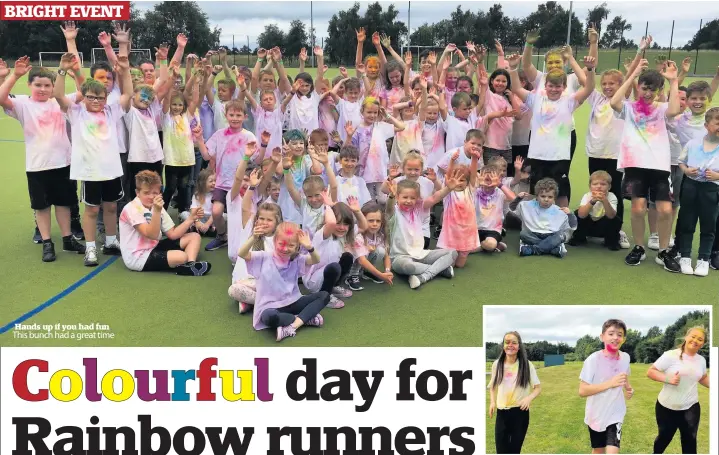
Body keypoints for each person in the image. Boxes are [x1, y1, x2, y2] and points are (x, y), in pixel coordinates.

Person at [0, 56, 85, 261]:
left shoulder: (59, 101)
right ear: (29, 85)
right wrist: (13, 75)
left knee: (64, 204)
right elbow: (2, 99)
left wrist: (72, 72)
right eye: (38, 84)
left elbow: (83, 93)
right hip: (37, 166)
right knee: (41, 206)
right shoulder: (22, 104)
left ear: (53, 86)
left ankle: (67, 238)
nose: (43, 89)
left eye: (47, 85)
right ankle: (47, 242)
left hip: (63, 163)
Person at [54, 50, 132, 266]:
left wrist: (125, 72)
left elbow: (127, 96)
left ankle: (110, 241)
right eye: (91, 97)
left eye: (100, 97)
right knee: (91, 210)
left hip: (111, 170)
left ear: (106, 98)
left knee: (111, 207)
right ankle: (90, 248)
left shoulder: (111, 111)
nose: (96, 101)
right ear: (83, 96)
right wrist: (62, 70)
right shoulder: (76, 112)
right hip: (90, 172)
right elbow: (58, 95)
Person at [610, 59, 682, 272]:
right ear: (639, 87)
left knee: (665, 210)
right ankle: (639, 247)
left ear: (659, 90)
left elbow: (675, 109)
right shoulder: (630, 108)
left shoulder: (661, 109)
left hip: (659, 166)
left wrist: (674, 80)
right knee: (638, 208)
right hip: (635, 165)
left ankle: (662, 251)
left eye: (653, 89)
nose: (648, 93)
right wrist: (632, 75)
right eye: (644, 88)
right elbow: (614, 102)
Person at [507, 53, 597, 208]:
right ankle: (535, 224)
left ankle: (563, 225)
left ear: (564, 87)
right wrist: (514, 68)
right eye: (551, 86)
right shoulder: (534, 99)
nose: (554, 89)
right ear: (545, 85)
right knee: (537, 190)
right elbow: (515, 87)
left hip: (559, 156)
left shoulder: (570, 101)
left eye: (558, 86)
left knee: (561, 192)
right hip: (537, 155)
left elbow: (589, 87)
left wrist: (590, 69)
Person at [239, 222, 329, 342]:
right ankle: (305, 318)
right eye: (281, 244)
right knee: (269, 317)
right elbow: (242, 253)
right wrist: (254, 238)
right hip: (270, 307)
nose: (285, 249)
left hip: (293, 302)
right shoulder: (263, 257)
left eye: (291, 245)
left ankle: (293, 326)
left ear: (297, 246)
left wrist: (309, 247)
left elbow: (315, 260)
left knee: (324, 296)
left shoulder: (297, 259)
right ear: (275, 241)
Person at [119, 170, 211, 275]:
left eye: (155, 193)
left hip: (154, 247)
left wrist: (191, 218)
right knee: (181, 256)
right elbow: (152, 234)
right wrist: (157, 211)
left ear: (160, 193)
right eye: (146, 193)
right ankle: (186, 264)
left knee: (194, 236)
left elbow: (173, 234)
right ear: (137, 193)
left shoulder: (157, 206)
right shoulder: (131, 208)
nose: (151, 196)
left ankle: (190, 265)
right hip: (138, 256)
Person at [195, 99, 258, 251]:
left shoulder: (249, 136)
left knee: (241, 216)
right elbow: (206, 155)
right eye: (231, 114)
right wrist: (199, 139)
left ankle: (245, 242)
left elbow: (255, 160)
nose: (235, 118)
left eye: (238, 115)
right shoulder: (219, 134)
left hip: (241, 184)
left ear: (245, 117)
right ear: (226, 115)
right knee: (216, 212)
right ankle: (222, 236)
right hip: (222, 183)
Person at [386, 175, 459, 289]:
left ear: (417, 199)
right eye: (405, 197)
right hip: (400, 258)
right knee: (409, 267)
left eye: (412, 198)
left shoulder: (418, 210)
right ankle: (440, 269)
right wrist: (391, 196)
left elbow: (435, 197)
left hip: (421, 254)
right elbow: (388, 208)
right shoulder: (394, 213)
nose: (408, 201)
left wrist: (448, 188)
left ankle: (423, 277)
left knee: (452, 252)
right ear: (397, 196)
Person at [647, 327, 709, 454]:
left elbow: (702, 378)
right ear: (686, 337)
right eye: (693, 336)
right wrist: (667, 378)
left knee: (690, 441)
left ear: (703, 343)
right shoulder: (670, 355)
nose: (695, 340)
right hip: (666, 407)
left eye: (700, 339)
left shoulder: (701, 360)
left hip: (691, 407)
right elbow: (651, 372)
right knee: (664, 438)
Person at [579, 319, 634, 455]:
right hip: (595, 414)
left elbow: (624, 375)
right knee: (598, 450)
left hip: (616, 413)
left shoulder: (625, 357)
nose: (615, 337)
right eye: (611, 333)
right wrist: (611, 383)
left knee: (612, 451)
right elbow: (582, 391)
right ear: (602, 337)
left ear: (623, 339)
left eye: (619, 334)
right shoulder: (593, 360)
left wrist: (628, 388)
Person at [675, 107, 719, 276]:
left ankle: (704, 259)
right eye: (717, 123)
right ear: (707, 125)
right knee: (687, 222)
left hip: (711, 189)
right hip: (691, 187)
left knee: (709, 225)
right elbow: (681, 161)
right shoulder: (693, 143)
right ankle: (685, 256)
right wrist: (686, 171)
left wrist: (716, 175)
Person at [302, 197, 369, 308]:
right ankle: (324, 296)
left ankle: (333, 286)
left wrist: (357, 211)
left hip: (327, 274)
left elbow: (363, 226)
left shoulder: (343, 235)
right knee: (334, 267)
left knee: (347, 256)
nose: (342, 227)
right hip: (313, 280)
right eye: (339, 223)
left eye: (346, 224)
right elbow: (331, 223)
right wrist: (329, 205)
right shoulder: (323, 235)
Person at [488, 331, 541, 454]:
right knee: (501, 451)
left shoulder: (527, 365)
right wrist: (492, 402)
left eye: (514, 342)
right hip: (502, 413)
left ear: (519, 346)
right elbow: (492, 386)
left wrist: (529, 398)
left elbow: (537, 388)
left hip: (520, 413)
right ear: (503, 345)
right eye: (507, 342)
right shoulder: (497, 364)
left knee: (514, 451)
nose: (510, 345)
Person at [345, 97, 405, 201]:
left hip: (379, 171)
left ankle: (383, 217)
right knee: (368, 200)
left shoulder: (380, 126)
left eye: (375, 112)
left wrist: (387, 116)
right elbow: (347, 150)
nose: (372, 115)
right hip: (364, 171)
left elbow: (401, 127)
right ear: (362, 111)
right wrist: (349, 136)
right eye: (369, 112)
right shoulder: (357, 129)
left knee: (383, 200)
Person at [509, 178, 577, 258]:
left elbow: (572, 227)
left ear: (554, 198)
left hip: (551, 235)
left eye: (550, 197)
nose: (546, 199)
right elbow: (512, 208)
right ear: (537, 196)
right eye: (543, 196)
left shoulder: (559, 210)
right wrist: (518, 199)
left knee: (561, 236)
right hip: (533, 234)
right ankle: (553, 249)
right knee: (523, 234)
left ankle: (533, 249)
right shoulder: (528, 205)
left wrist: (570, 214)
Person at [569, 171, 622, 251]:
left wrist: (605, 201)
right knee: (577, 212)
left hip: (603, 227)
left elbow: (611, 216)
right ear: (590, 186)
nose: (599, 187)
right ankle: (579, 238)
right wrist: (592, 201)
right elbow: (581, 215)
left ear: (609, 186)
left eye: (603, 184)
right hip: (589, 225)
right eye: (595, 184)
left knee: (616, 219)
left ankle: (611, 242)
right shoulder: (587, 196)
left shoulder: (612, 196)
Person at [345, 202, 394, 289]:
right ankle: (352, 275)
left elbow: (386, 255)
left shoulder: (379, 235)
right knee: (365, 251)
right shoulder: (358, 236)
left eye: (378, 221)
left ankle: (367, 272)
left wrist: (387, 271)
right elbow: (362, 260)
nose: (375, 224)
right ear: (362, 220)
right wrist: (380, 275)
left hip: (363, 261)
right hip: (349, 264)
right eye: (370, 220)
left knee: (381, 250)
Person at [475, 165, 518, 253]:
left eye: (492, 180)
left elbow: (514, 199)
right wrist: (479, 182)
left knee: (490, 245)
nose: (489, 183)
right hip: (474, 229)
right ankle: (495, 246)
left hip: (493, 230)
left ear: (498, 179)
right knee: (459, 246)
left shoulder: (500, 193)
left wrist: (499, 184)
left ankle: (488, 246)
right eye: (486, 179)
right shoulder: (476, 191)